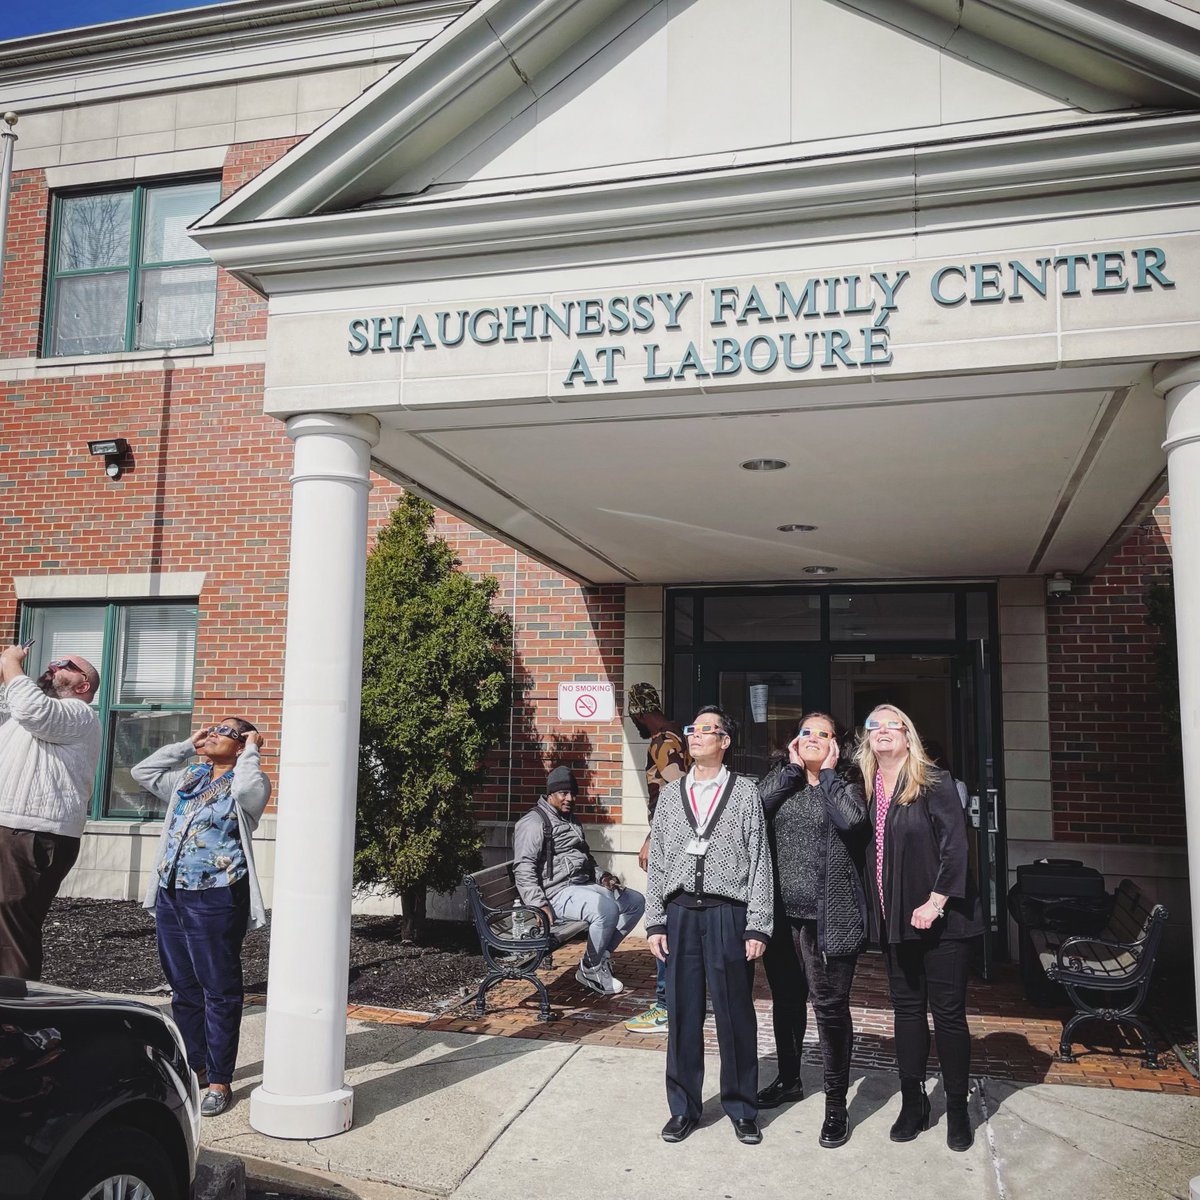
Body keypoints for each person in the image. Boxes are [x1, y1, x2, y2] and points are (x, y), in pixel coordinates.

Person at [856, 703, 982, 1152]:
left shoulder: (935, 782)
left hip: (942, 922)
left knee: (948, 1016)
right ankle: (913, 1102)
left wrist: (935, 901)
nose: (884, 730)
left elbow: (956, 850)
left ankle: (957, 1109)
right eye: (875, 725)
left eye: (894, 724)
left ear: (909, 737)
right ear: (868, 739)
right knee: (906, 1014)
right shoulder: (868, 789)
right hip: (895, 924)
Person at [645, 705, 773, 1146]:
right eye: (691, 730)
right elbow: (659, 860)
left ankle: (741, 1107)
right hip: (680, 913)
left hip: (728, 915)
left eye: (705, 731)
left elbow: (760, 863)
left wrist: (758, 925)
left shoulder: (744, 793)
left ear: (725, 741)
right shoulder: (670, 794)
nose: (695, 737)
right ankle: (683, 1107)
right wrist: (655, 920)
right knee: (682, 1011)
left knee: (735, 1013)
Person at [134, 718, 271, 1117]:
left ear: (243, 742)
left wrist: (250, 751)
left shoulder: (250, 782)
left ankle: (219, 1079)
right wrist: (185, 745)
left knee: (219, 989)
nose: (212, 733)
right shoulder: (190, 778)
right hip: (171, 893)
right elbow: (144, 771)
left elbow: (248, 789)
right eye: (211, 728)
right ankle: (196, 1068)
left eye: (224, 731)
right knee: (184, 988)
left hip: (215, 895)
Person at [756, 713, 867, 1148]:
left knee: (830, 1008)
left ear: (836, 745)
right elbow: (758, 808)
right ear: (794, 742)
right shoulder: (780, 781)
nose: (814, 739)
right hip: (782, 917)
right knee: (786, 1000)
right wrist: (792, 770)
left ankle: (836, 1105)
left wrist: (828, 776)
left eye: (824, 734)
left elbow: (854, 823)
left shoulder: (847, 786)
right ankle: (788, 1079)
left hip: (830, 918)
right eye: (807, 733)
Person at [0, 645, 101, 980]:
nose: (52, 665)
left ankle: (22, 1022)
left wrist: (13, 662)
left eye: (64, 665)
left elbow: (32, 707)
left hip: (34, 833)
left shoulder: (80, 714)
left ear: (82, 685)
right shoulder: (27, 716)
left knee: (14, 928)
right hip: (11, 826)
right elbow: (17, 702)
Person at [512, 764, 645, 996]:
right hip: (555, 894)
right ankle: (591, 969)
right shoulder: (534, 823)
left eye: (573, 793)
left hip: (582, 886)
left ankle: (599, 955)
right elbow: (523, 868)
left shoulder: (571, 820)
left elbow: (585, 858)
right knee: (605, 908)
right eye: (564, 793)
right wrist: (539, 905)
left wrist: (603, 876)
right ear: (550, 793)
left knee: (635, 901)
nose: (570, 798)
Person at [624, 681, 689, 1034]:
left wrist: (654, 836)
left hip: (671, 845)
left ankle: (665, 1005)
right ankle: (674, 1000)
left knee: (661, 922)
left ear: (641, 712)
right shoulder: (675, 737)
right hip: (674, 842)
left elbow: (677, 791)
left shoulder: (664, 742)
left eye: (634, 713)